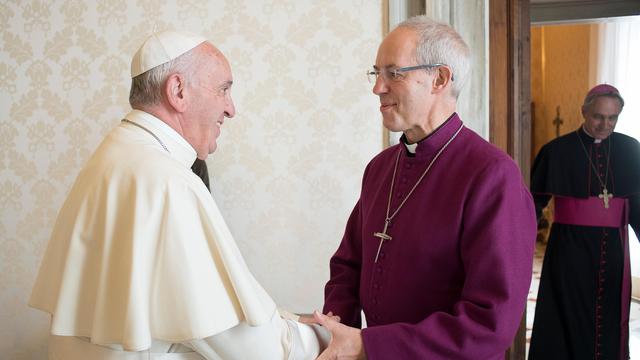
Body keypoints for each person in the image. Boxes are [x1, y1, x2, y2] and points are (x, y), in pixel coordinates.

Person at [29, 30, 328, 360]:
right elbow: (253, 349)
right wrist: (325, 337)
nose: (231, 109)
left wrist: (287, 320)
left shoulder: (113, 156)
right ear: (178, 91)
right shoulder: (167, 182)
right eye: (224, 90)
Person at [313, 15, 537, 359]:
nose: (377, 87)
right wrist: (337, 329)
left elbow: (490, 323)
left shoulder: (492, 176)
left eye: (393, 73)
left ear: (440, 79)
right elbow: (347, 264)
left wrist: (369, 346)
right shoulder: (380, 168)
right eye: (376, 73)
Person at [528, 84, 640, 360]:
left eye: (612, 118)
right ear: (584, 112)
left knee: (610, 312)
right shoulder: (557, 151)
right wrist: (516, 246)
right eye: (598, 117)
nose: (605, 124)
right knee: (566, 313)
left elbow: (638, 204)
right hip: (569, 250)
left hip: (613, 249)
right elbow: (532, 205)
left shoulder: (630, 149)